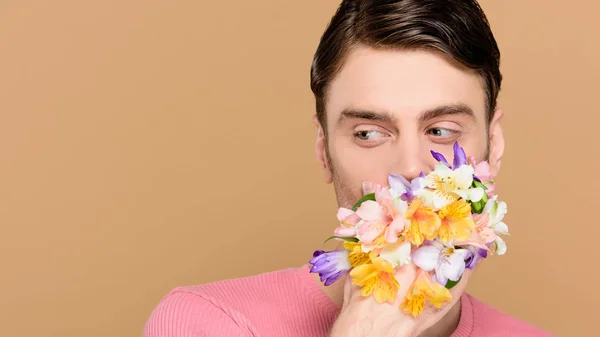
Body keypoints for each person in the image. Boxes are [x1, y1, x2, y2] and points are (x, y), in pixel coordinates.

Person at [144, 1, 552, 336]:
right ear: (325, 151)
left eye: (441, 130)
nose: (410, 168)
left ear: (493, 145)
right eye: (369, 134)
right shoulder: (206, 322)